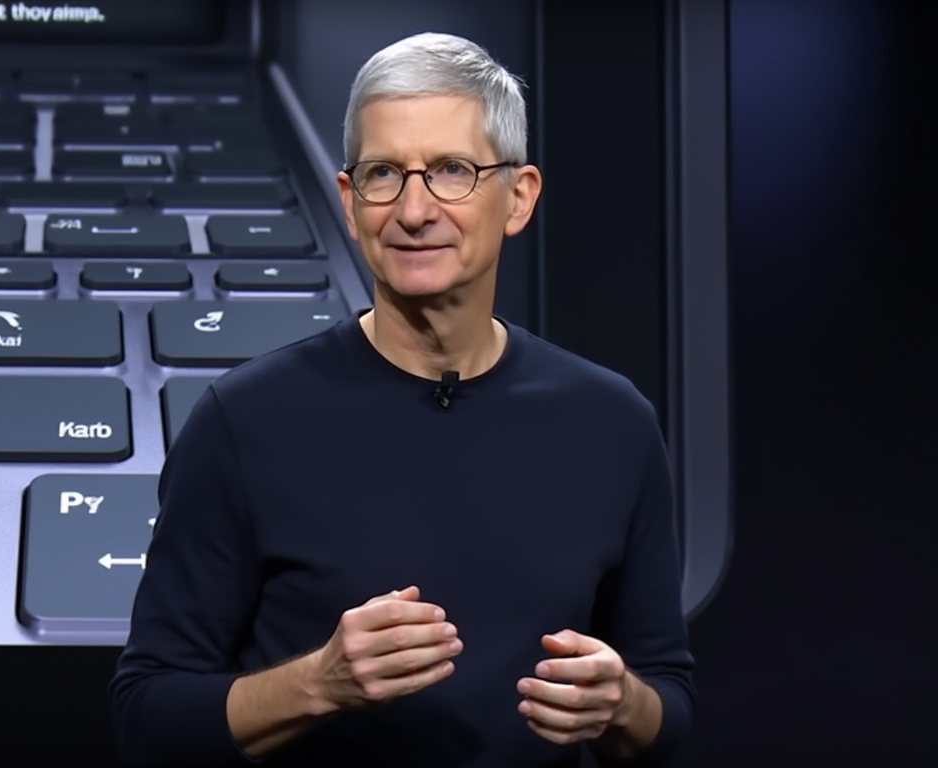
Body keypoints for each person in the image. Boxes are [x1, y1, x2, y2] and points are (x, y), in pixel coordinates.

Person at [110, 31, 695, 767]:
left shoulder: (613, 425)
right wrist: (317, 684)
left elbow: (669, 712)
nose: (415, 211)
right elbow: (147, 718)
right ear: (351, 205)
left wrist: (623, 704)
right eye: (385, 174)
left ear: (518, 198)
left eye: (452, 170)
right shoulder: (245, 421)